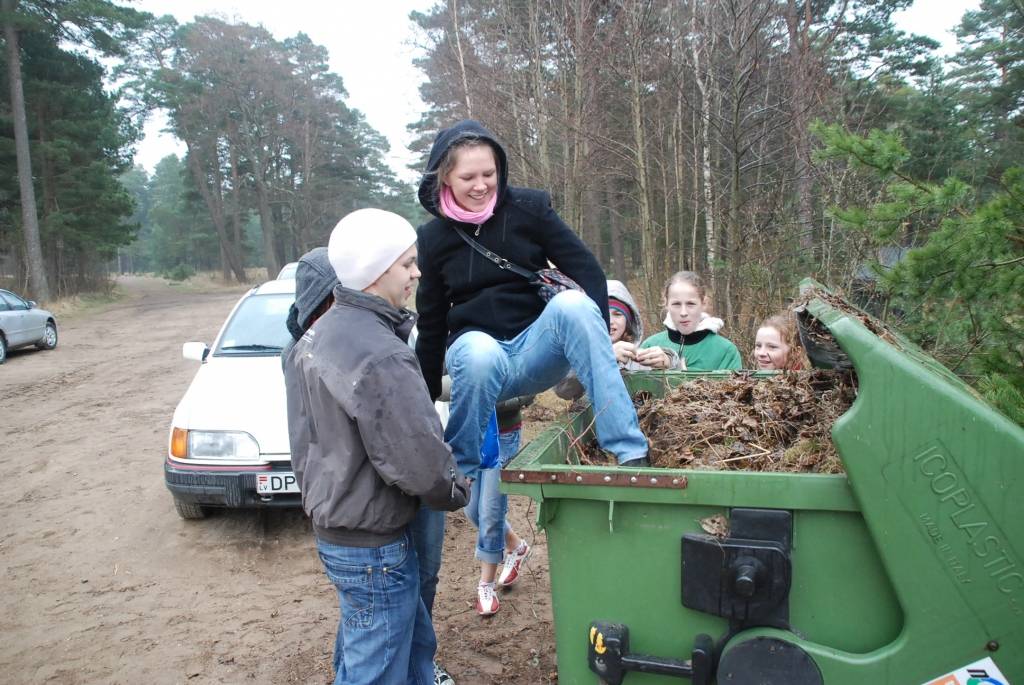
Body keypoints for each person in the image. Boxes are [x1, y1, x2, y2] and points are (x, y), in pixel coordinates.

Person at [284, 208, 470, 685]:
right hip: (373, 546)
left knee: (384, 644)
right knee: (375, 668)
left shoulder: (316, 336)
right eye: (406, 264)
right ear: (374, 270)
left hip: (337, 531)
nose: (417, 273)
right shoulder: (379, 352)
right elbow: (418, 463)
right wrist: (455, 489)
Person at [414, 119, 649, 481]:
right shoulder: (433, 239)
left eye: (488, 174)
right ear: (445, 178)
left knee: (572, 304)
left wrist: (602, 339)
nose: (481, 186)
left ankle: (629, 450)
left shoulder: (530, 207)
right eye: (468, 178)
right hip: (480, 362)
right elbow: (430, 321)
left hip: (537, 349)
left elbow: (588, 271)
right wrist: (423, 396)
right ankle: (459, 470)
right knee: (479, 351)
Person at [464, 397, 532, 616]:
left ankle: (486, 586)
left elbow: (527, 393)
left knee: (490, 513)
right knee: (472, 510)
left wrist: (488, 395)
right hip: (474, 437)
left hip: (504, 434)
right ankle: (516, 546)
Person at [639, 271, 741, 371]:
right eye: (676, 304)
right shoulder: (650, 345)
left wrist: (674, 366)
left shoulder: (725, 351)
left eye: (691, 304)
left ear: (703, 303)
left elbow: (733, 387)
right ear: (666, 304)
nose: (683, 313)